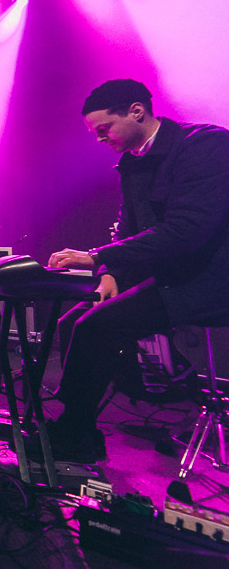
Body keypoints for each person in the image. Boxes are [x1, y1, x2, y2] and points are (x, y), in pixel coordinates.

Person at [45, 79, 229, 462]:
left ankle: (74, 438)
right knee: (73, 321)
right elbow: (129, 228)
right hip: (172, 274)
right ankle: (79, 425)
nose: (99, 139)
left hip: (209, 279)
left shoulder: (205, 145)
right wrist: (111, 272)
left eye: (103, 129)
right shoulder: (132, 161)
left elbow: (185, 231)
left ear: (136, 111)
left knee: (95, 328)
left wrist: (95, 257)